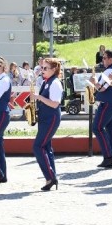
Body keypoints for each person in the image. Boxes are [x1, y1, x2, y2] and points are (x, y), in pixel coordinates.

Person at [89, 49, 112, 169]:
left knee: (97, 127)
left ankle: (109, 157)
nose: (102, 60)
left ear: (111, 59)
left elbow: (102, 88)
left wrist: (94, 82)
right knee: (111, 130)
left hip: (107, 103)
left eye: (104, 58)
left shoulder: (110, 70)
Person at [31, 58, 63, 191]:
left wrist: (38, 97)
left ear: (54, 69)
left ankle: (50, 177)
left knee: (38, 146)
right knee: (47, 148)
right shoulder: (47, 82)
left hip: (51, 118)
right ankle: (51, 177)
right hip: (45, 118)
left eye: (45, 68)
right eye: (42, 68)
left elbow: (55, 103)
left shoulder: (55, 83)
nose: (42, 71)